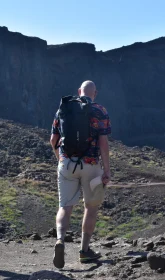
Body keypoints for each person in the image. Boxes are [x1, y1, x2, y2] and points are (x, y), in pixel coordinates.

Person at [50, 80, 111, 268]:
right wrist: (107, 169)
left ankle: (60, 240)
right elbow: (103, 143)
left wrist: (60, 159)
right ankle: (84, 251)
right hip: (91, 165)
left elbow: (53, 139)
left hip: (67, 163)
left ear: (79, 91)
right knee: (90, 208)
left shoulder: (64, 108)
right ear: (95, 93)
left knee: (64, 207)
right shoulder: (100, 110)